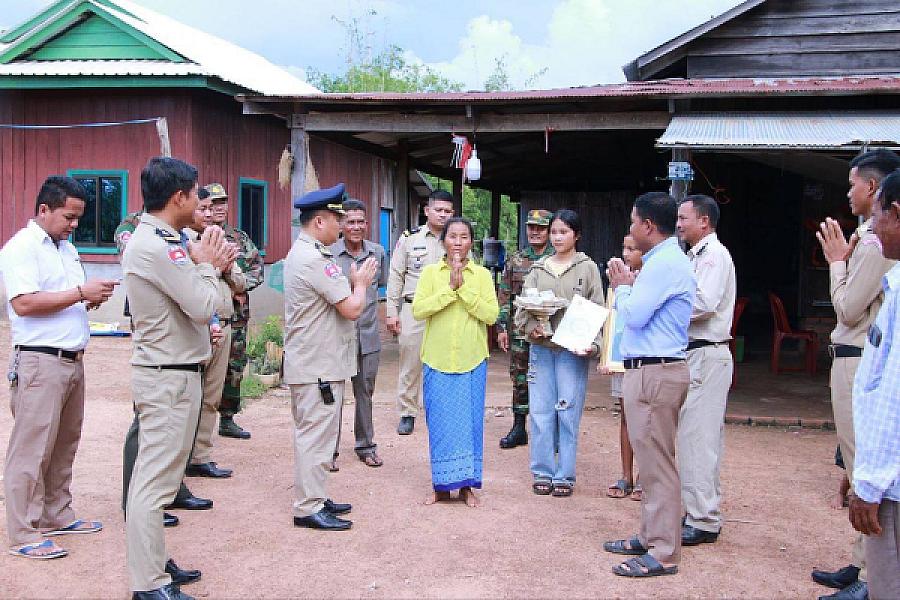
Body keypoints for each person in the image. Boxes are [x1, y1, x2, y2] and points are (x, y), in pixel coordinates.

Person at [123, 157, 230, 600]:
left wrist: (204, 266)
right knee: (153, 484)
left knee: (163, 481)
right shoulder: (159, 246)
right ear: (178, 197)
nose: (201, 201)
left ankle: (153, 562)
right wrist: (207, 265)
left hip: (177, 371)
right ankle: (148, 584)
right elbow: (205, 305)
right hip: (167, 376)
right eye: (196, 193)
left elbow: (208, 302)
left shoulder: (167, 240)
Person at [0, 176, 116, 560]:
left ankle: (56, 514)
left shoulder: (65, 249)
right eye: (68, 216)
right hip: (39, 362)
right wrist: (81, 293)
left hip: (71, 360)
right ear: (44, 209)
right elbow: (24, 304)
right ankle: (23, 531)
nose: (74, 225)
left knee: (64, 444)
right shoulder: (21, 248)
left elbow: (63, 299)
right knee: (31, 450)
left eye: (78, 218)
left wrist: (86, 300)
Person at [812, 148, 900, 600]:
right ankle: (862, 562)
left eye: (852, 184)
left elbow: (847, 307)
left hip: (857, 357)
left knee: (862, 462)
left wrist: (835, 261)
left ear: (873, 189)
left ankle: (870, 578)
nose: (847, 193)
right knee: (854, 458)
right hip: (849, 355)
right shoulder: (868, 236)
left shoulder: (873, 242)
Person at [603, 191, 695, 578]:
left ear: (648, 226)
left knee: (657, 464)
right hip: (650, 368)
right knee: (651, 459)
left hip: (657, 371)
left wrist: (623, 287)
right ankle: (651, 534)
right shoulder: (664, 260)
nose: (629, 229)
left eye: (632, 222)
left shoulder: (663, 264)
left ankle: (663, 551)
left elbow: (636, 316)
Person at [284, 183, 378, 531]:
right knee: (315, 436)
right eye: (337, 219)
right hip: (316, 367)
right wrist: (361, 283)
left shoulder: (310, 255)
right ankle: (307, 507)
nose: (342, 226)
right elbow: (353, 308)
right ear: (320, 222)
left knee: (320, 435)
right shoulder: (313, 260)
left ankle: (317, 496)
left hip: (316, 363)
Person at [117, 204, 214, 524]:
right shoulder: (148, 240)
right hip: (161, 361)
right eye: (197, 202)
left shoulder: (176, 238)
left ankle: (170, 494)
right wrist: (207, 266)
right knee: (146, 437)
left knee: (168, 451)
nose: (204, 210)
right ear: (177, 197)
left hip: (179, 354)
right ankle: (140, 506)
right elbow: (199, 302)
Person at [514, 209, 605, 498]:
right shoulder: (538, 269)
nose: (557, 237)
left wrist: (596, 345)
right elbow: (522, 309)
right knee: (540, 413)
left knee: (568, 413)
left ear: (576, 235)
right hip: (542, 350)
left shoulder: (587, 268)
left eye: (563, 232)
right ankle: (542, 471)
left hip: (571, 353)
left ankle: (564, 474)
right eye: (554, 232)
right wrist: (532, 329)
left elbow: (598, 309)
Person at [412, 217, 499, 507]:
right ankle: (440, 486)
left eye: (464, 237)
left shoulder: (483, 276)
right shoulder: (429, 273)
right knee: (438, 423)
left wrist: (464, 289)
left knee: (470, 424)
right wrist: (449, 289)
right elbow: (419, 310)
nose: (458, 243)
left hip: (472, 359)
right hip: (436, 359)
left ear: (471, 242)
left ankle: (466, 487)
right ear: (443, 241)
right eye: (452, 237)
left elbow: (491, 315)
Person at [848, 170, 900, 600]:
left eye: (878, 215)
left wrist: (869, 481)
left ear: (896, 214)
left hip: (893, 487)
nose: (872, 227)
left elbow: (892, 396)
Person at [675, 194, 736, 547]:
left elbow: (703, 303)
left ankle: (704, 519)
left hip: (707, 353)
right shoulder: (695, 256)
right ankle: (699, 510)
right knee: (694, 436)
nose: (679, 224)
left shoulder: (714, 256)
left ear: (704, 222)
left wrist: (663, 304)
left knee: (699, 438)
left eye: (684, 218)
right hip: (695, 354)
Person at [185, 192, 245, 479]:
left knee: (211, 395)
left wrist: (228, 267)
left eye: (212, 209)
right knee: (189, 396)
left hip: (225, 324)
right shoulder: (184, 242)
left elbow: (242, 283)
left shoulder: (221, 242)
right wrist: (211, 265)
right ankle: (182, 458)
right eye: (203, 209)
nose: (209, 215)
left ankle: (201, 456)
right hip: (199, 326)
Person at [386, 189, 454, 435]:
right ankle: (407, 412)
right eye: (438, 210)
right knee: (411, 361)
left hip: (446, 310)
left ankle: (440, 409)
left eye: (448, 211)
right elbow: (396, 275)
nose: (443, 215)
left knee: (444, 362)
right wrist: (392, 312)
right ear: (427, 211)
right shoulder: (410, 239)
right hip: (414, 309)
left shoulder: (456, 238)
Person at [329, 198, 388, 470]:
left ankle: (365, 445)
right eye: (350, 221)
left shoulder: (377, 253)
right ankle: (328, 451)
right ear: (341, 224)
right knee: (333, 395)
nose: (356, 227)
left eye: (360, 221)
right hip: (338, 337)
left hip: (369, 337)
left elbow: (383, 286)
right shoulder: (329, 254)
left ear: (367, 224)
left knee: (365, 392)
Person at [206, 183, 265, 440]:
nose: (219, 208)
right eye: (213, 203)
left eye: (222, 203)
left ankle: (227, 418)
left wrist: (236, 288)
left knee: (235, 365)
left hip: (237, 315)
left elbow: (257, 270)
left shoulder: (239, 238)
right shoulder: (197, 237)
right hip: (206, 314)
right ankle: (199, 425)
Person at [496, 208, 554, 449]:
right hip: (521, 331)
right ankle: (519, 427)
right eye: (531, 227)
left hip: (551, 332)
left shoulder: (557, 259)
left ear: (550, 231)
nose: (535, 232)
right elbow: (505, 296)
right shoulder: (517, 259)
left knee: (550, 379)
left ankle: (551, 431)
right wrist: (501, 327)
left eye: (540, 228)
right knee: (520, 378)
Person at [600, 233, 643, 502]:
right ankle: (626, 475)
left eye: (633, 249)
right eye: (624, 248)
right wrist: (607, 355)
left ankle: (644, 478)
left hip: (646, 359)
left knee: (647, 420)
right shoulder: (617, 280)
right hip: (622, 358)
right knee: (626, 416)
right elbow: (612, 320)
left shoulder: (652, 279)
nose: (627, 254)